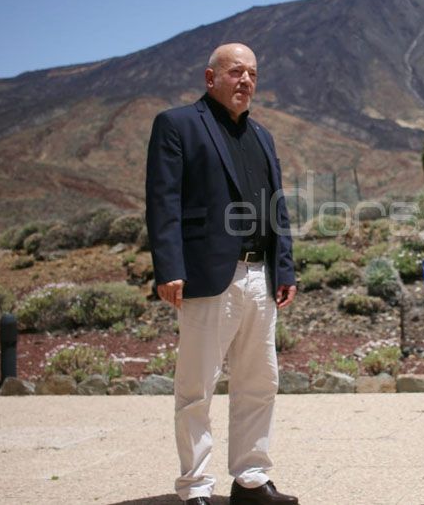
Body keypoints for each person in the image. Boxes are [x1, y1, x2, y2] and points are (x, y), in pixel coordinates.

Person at [146, 43, 300, 503]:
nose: (246, 81)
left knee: (259, 382)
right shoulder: (177, 125)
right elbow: (164, 201)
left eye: (252, 73)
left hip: (260, 276)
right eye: (236, 72)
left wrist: (284, 267)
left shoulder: (263, 136)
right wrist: (169, 267)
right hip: (207, 276)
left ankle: (251, 479)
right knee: (196, 387)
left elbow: (278, 208)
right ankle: (195, 487)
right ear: (210, 77)